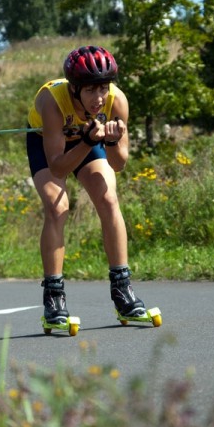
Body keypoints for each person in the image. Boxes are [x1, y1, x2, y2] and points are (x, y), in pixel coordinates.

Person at [26, 45, 148, 326]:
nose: (99, 98)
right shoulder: (52, 101)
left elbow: (119, 163)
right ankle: (54, 297)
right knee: (58, 207)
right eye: (91, 90)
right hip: (49, 141)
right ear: (75, 89)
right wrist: (89, 141)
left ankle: (122, 290)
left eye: (103, 88)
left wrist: (113, 140)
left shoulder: (116, 102)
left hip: (88, 139)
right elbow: (57, 166)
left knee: (108, 199)